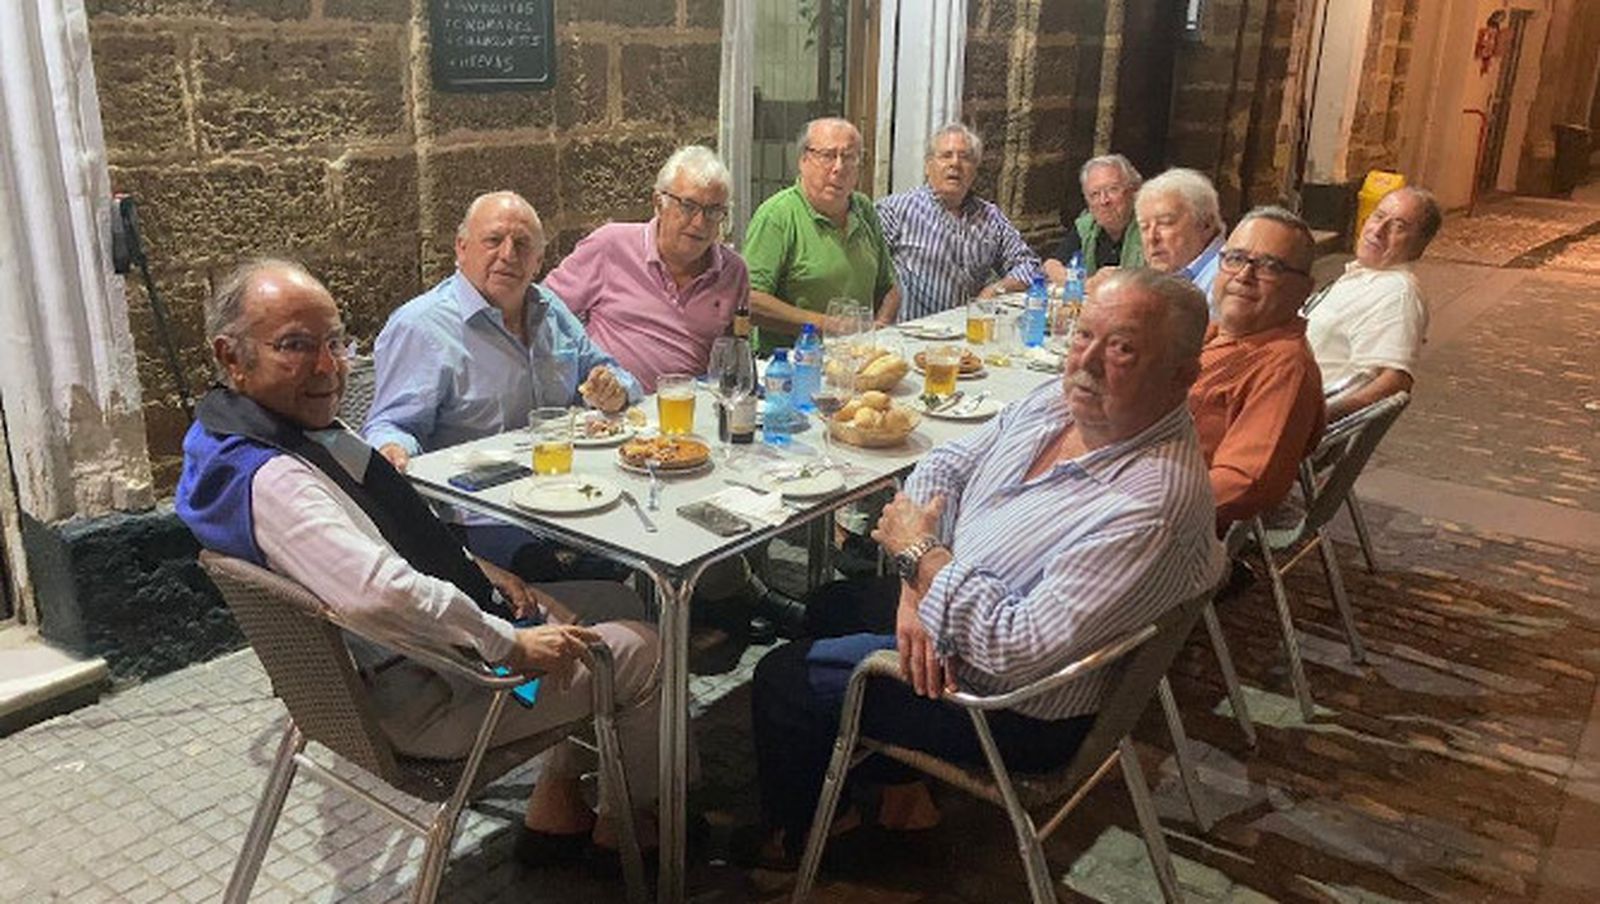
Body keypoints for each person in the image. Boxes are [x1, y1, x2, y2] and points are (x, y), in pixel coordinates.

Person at [175, 259, 664, 868]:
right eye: (295, 346)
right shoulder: (274, 479)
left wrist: (481, 571)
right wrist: (509, 643)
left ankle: (557, 807)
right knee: (646, 649)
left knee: (613, 603)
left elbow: (389, 530)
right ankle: (635, 834)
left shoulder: (239, 436)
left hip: (396, 672)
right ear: (231, 357)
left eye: (334, 342)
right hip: (432, 700)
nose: (327, 367)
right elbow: (382, 593)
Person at [739, 269, 1226, 867]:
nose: (1088, 362)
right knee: (829, 604)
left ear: (1182, 376)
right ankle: (900, 793)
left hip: (1011, 706)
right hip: (960, 613)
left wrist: (922, 559)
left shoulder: (1151, 504)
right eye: (1083, 335)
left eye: (1122, 348)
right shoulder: (1063, 403)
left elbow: (1016, 648)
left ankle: (815, 834)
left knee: (783, 679)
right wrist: (917, 592)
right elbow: (946, 464)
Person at [363, 191, 641, 578]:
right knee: (587, 570)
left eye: (523, 244)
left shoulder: (551, 310)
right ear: (461, 248)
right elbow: (389, 425)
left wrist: (616, 390)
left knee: (649, 535)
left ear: (539, 260)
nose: (509, 254)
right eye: (493, 240)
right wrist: (392, 448)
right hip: (479, 516)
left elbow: (612, 373)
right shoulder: (422, 327)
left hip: (565, 495)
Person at [543, 146, 749, 393]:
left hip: (685, 412)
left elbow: (734, 355)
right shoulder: (610, 246)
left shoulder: (732, 272)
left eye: (713, 212)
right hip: (610, 414)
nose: (699, 223)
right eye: (688, 206)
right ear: (658, 203)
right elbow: (545, 310)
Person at [1189, 207, 1326, 530]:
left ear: (1304, 289)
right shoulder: (1205, 334)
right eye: (1235, 258)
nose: (1244, 276)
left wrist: (1133, 510)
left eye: (1270, 266)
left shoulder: (1282, 368)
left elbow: (1243, 484)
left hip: (1161, 530)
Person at [742, 117, 901, 349]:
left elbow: (889, 286)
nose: (838, 168)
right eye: (827, 156)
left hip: (854, 356)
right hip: (791, 365)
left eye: (849, 157)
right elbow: (750, 301)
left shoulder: (863, 208)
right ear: (803, 160)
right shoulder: (777, 216)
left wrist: (882, 326)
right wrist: (828, 326)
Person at [875, 123, 1039, 321]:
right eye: (946, 156)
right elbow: (866, 272)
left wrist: (996, 289)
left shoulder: (990, 217)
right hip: (912, 336)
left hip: (969, 334)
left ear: (975, 170)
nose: (955, 164)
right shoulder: (896, 211)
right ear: (928, 166)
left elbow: (1029, 265)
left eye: (965, 157)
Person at [1307, 186, 1439, 420]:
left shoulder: (1398, 292)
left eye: (1398, 226)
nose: (1378, 230)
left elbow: (1395, 381)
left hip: (1294, 423)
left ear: (1419, 245)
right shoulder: (1367, 276)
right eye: (1378, 216)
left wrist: (1318, 419)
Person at [1042, 153, 1144, 283]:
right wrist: (1086, 283)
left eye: (1113, 190)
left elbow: (1165, 279)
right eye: (1094, 194)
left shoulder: (1150, 225)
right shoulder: (1087, 225)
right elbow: (1051, 266)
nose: (1104, 201)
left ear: (1133, 190)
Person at [1135, 168, 1225, 305]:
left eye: (1165, 223)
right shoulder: (1171, 275)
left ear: (1205, 224)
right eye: (1144, 227)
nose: (1151, 238)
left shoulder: (1228, 279)